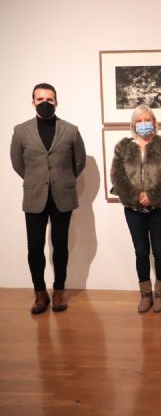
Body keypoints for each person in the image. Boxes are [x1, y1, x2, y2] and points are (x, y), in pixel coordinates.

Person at [10, 83, 86, 314]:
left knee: (60, 245)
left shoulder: (71, 130)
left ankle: (59, 290)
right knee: (35, 246)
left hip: (62, 195)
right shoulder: (20, 131)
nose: (45, 103)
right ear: (33, 102)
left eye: (49, 99)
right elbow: (17, 163)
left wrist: (62, 179)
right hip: (35, 196)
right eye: (40, 99)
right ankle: (40, 293)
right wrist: (37, 180)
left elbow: (79, 162)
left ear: (56, 102)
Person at [111, 105, 161, 313]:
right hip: (133, 209)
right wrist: (136, 196)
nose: (143, 124)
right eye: (139, 121)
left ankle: (160, 294)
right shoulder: (123, 147)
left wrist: (152, 196)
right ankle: (145, 294)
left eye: (147, 119)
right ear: (133, 124)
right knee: (141, 251)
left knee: (159, 251)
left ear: (154, 122)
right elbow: (117, 176)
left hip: (160, 208)